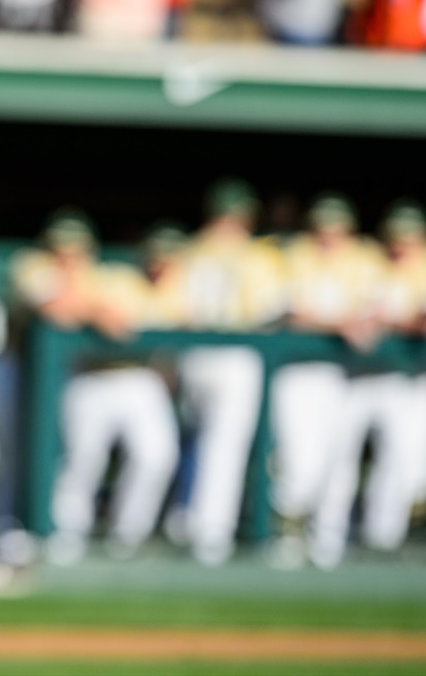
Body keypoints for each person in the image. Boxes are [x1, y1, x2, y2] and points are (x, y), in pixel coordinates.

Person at [10, 209, 179, 565]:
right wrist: (97, 311)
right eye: (61, 249)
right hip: (87, 375)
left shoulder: (113, 276)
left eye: (76, 249)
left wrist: (96, 310)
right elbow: (54, 306)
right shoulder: (34, 268)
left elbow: (141, 316)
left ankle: (128, 535)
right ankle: (66, 536)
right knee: (82, 459)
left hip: (136, 376)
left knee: (157, 456)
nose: (68, 257)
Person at [308, 200, 426, 568]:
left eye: (409, 237)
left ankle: (382, 541)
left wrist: (394, 321)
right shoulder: (367, 262)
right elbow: (349, 313)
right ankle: (327, 541)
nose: (401, 244)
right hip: (355, 375)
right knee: (339, 457)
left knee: (403, 462)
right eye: (396, 237)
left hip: (404, 377)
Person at [165, 178, 284, 566]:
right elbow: (270, 312)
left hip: (193, 354)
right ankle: (210, 532)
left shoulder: (189, 250)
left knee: (195, 438)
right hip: (235, 354)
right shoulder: (256, 255)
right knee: (223, 444)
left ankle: (185, 519)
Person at [267, 193, 384, 570]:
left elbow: (379, 310)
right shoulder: (294, 254)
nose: (328, 235)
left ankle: (328, 542)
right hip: (300, 370)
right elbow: (289, 312)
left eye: (336, 227)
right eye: (322, 227)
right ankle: (287, 535)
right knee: (298, 461)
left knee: (341, 460)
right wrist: (339, 322)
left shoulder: (365, 258)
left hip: (349, 374)